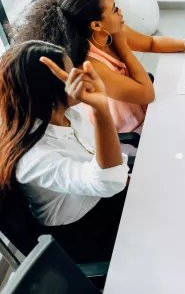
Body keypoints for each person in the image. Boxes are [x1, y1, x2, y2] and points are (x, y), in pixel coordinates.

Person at [10, 0, 185, 134]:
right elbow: (147, 93)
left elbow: (151, 43)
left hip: (150, 111)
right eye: (114, 9)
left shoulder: (110, 31)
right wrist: (123, 48)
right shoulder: (90, 65)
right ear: (96, 24)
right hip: (132, 131)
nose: (120, 11)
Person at [0, 40, 129, 263]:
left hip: (108, 198)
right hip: (89, 232)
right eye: (70, 73)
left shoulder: (69, 113)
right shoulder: (34, 158)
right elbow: (107, 183)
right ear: (49, 91)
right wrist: (101, 111)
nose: (79, 76)